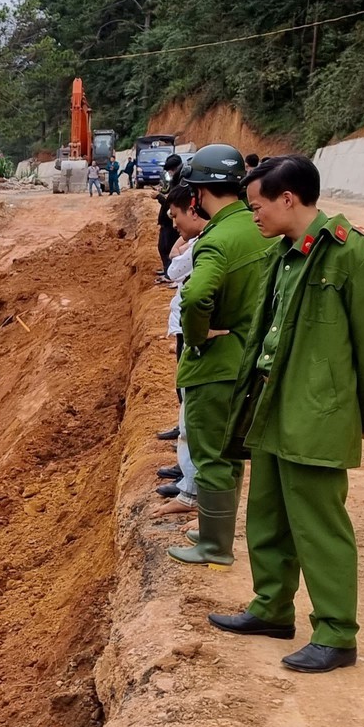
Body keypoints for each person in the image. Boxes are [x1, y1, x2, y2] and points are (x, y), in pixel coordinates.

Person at [208, 155, 364, 673]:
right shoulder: (286, 254)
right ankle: (272, 607)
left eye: (257, 206)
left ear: (287, 199)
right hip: (273, 406)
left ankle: (337, 633)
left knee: (319, 523)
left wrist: (360, 412)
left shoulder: (357, 257)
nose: (252, 216)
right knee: (268, 514)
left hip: (317, 412)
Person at [166, 145, 269, 567]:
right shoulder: (254, 227)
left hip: (218, 362)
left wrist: (196, 336)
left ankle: (213, 544)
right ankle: (214, 529)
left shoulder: (218, 238)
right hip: (249, 355)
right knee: (230, 452)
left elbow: (195, 295)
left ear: (198, 194)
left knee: (210, 454)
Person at [155, 185, 209, 515]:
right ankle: (188, 477)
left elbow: (176, 271)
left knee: (193, 412)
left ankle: (191, 488)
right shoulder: (209, 238)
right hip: (190, 330)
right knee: (186, 406)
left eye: (175, 216)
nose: (173, 223)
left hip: (200, 338)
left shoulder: (210, 242)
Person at [154, 154, 186, 279]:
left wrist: (158, 197)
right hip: (167, 220)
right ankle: (167, 270)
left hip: (170, 221)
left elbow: (172, 203)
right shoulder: (174, 182)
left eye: (170, 170)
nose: (169, 172)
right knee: (163, 247)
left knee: (168, 248)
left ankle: (170, 274)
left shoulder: (180, 182)